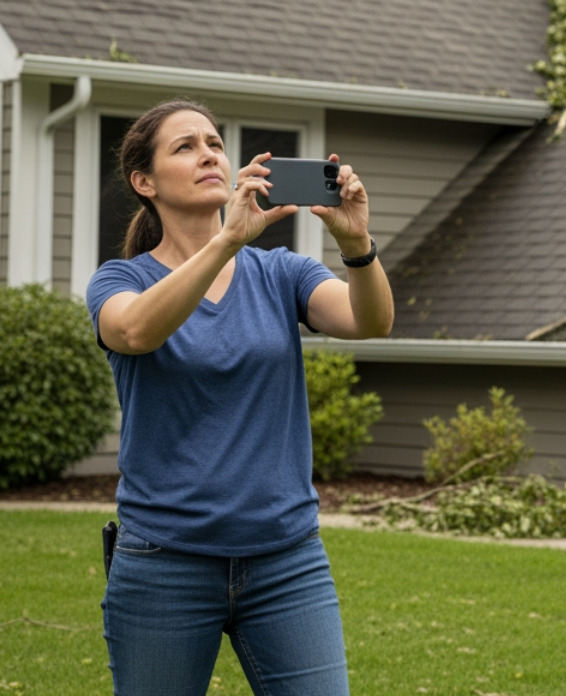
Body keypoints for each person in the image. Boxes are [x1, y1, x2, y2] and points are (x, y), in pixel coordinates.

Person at [85, 98, 393, 696]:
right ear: (143, 182)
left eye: (215, 144)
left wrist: (357, 244)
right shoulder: (120, 281)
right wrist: (226, 241)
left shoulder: (282, 273)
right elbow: (136, 331)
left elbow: (369, 320)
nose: (208, 154)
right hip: (163, 563)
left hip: (287, 562)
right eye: (186, 146)